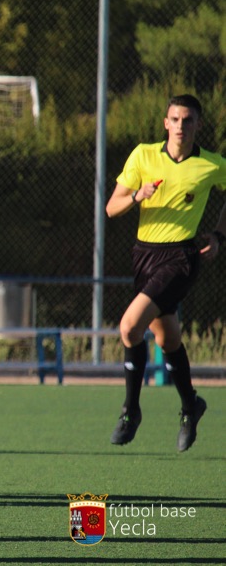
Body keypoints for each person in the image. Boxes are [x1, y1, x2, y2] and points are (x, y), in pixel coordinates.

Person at [105, 93, 225, 452]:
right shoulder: (143, 155)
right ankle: (191, 405)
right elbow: (112, 208)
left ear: (198, 125)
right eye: (175, 119)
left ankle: (130, 411)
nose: (181, 126)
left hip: (181, 258)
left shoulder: (210, 164)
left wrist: (219, 237)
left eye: (188, 120)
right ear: (165, 123)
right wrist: (137, 196)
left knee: (129, 327)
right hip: (144, 256)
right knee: (167, 340)